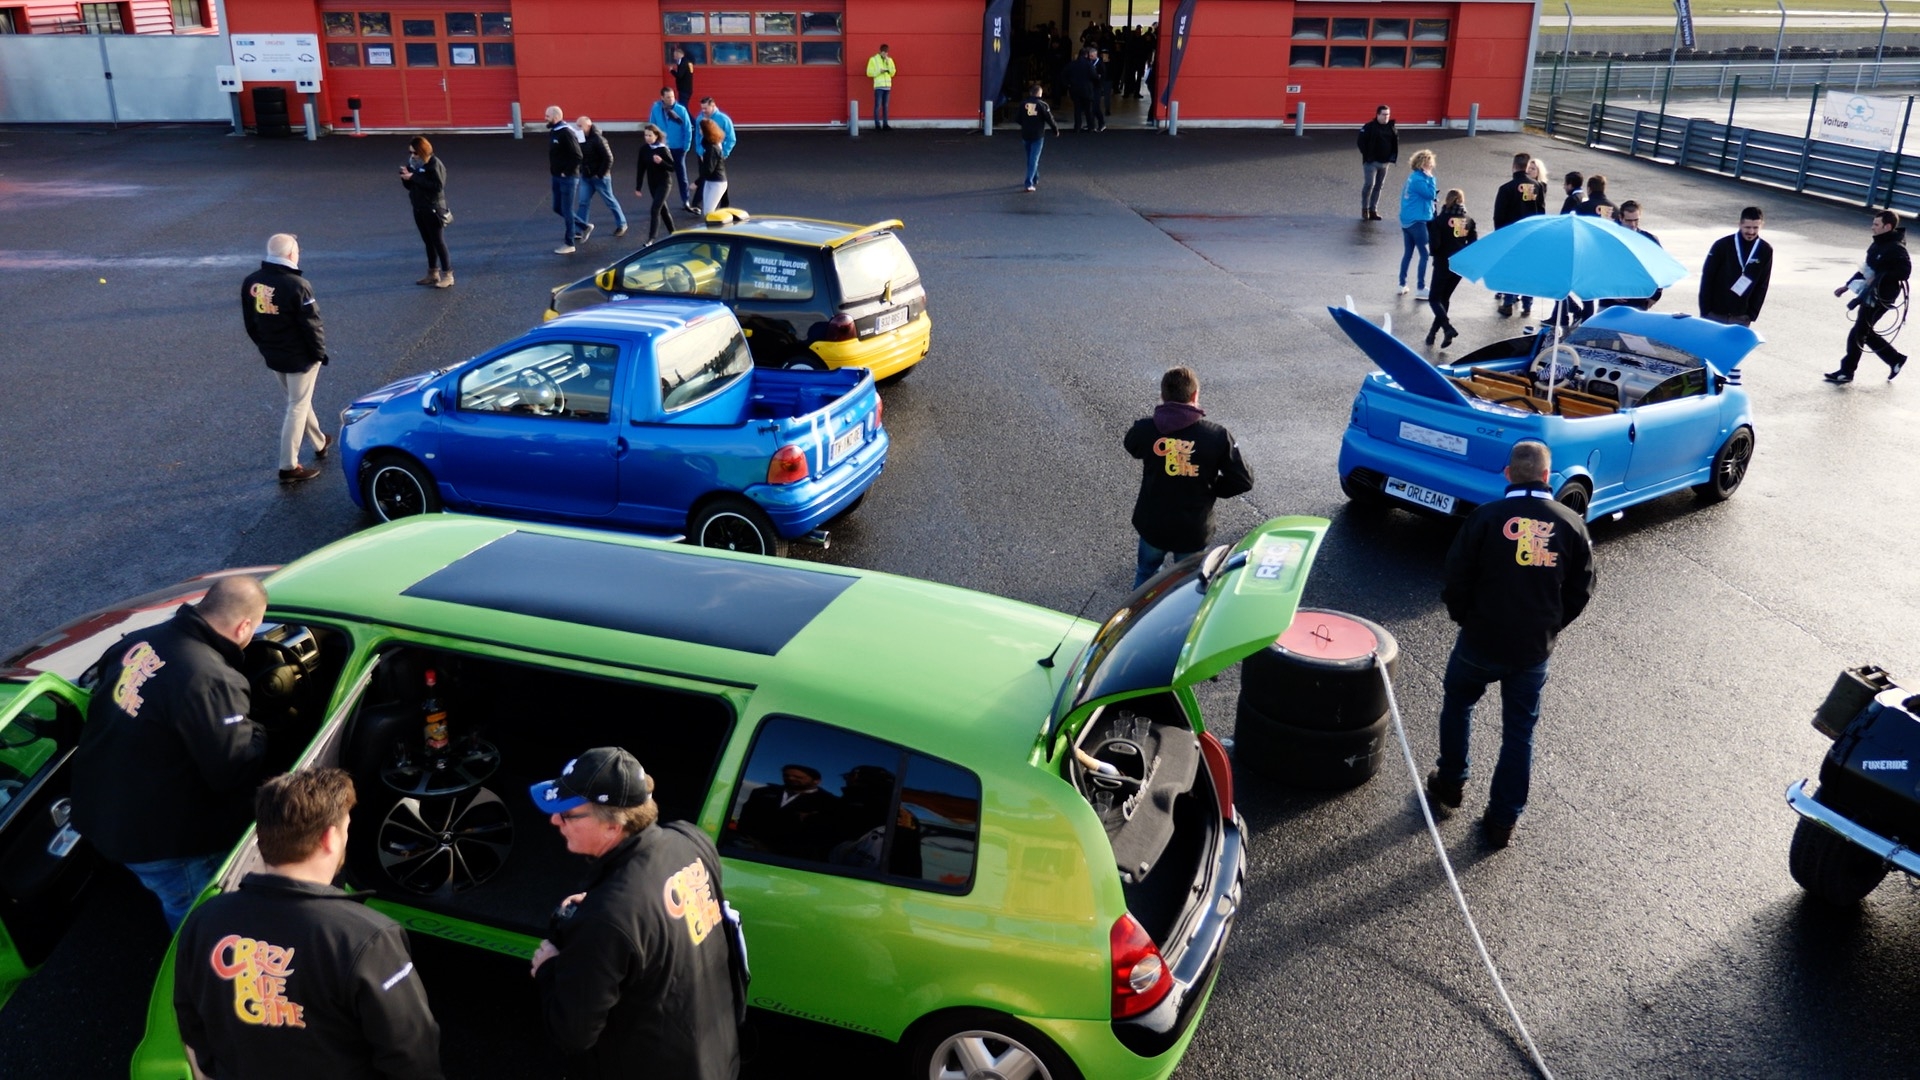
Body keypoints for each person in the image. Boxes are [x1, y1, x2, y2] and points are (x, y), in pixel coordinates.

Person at [173, 769, 443, 1080]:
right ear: (329, 838)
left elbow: (191, 1023)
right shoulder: (368, 938)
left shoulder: (204, 919)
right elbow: (411, 1054)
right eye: (345, 829)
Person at [71, 575, 272, 930]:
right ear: (244, 627)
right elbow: (234, 768)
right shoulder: (210, 679)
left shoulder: (140, 641)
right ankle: (191, 956)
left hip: (99, 809)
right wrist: (259, 731)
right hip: (160, 842)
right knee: (196, 909)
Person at [528, 748, 742, 1080]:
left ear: (613, 826)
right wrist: (605, 901)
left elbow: (573, 1035)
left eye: (567, 814)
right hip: (717, 1055)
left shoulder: (606, 920)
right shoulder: (690, 840)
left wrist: (549, 969)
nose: (554, 821)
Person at [1423, 441, 1595, 849]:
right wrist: (1551, 626)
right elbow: (1582, 588)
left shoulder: (1485, 517)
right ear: (1547, 476)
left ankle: (1451, 781)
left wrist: (1466, 619)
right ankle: (1503, 819)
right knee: (1519, 733)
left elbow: (1456, 578)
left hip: (1480, 640)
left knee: (1459, 704)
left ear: (1508, 474)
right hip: (1532, 649)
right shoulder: (1571, 523)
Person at [1123, 366, 1255, 589]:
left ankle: (1140, 609)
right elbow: (1243, 479)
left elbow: (1131, 446)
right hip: (1193, 528)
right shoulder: (1216, 436)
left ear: (1162, 395)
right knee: (1187, 584)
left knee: (1146, 573)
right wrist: (1213, 488)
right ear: (1194, 395)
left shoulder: (1145, 429)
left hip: (1153, 523)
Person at [240, 233, 330, 484]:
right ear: (291, 254)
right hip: (300, 357)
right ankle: (288, 466)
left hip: (273, 353)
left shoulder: (251, 282)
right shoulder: (297, 285)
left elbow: (250, 322)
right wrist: (319, 353)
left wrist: (264, 346)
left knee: (298, 400)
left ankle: (320, 441)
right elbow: (312, 325)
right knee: (297, 406)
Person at [1829, 208, 1912, 383]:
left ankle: (1847, 372)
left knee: (1858, 333)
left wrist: (1881, 276)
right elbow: (1866, 269)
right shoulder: (1876, 244)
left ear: (1887, 227)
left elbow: (1905, 272)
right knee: (1863, 332)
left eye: (1876, 224)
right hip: (1870, 294)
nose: (1872, 227)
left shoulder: (1896, 248)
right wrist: (1846, 286)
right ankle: (1895, 359)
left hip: (1883, 296)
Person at [734, 764, 836, 860]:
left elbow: (824, 833)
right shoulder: (762, 792)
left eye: (798, 777)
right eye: (786, 775)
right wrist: (749, 839)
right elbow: (745, 817)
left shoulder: (828, 802)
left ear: (816, 781)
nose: (790, 778)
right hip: (748, 848)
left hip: (792, 858)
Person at [1491, 151, 1545, 318]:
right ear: (1527, 167)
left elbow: (1499, 216)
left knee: (1511, 269)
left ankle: (1508, 303)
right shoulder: (1537, 186)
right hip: (1532, 234)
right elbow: (1541, 212)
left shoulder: (1506, 188)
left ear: (1514, 166)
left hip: (1512, 235)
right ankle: (1527, 305)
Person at [1698, 206, 1773, 326]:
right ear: (1739, 224)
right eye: (1747, 227)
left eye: (1755, 228)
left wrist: (1752, 314)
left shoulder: (1765, 250)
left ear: (1762, 226)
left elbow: (1762, 284)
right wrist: (1705, 311)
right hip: (1715, 314)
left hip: (1742, 316)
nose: (1751, 232)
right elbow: (1707, 278)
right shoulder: (1722, 245)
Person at [1425, 188, 1478, 349]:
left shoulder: (1440, 220)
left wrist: (1431, 228)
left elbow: (1435, 246)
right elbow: (1474, 245)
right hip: (1460, 265)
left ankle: (1447, 328)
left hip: (1443, 263)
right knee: (1445, 299)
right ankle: (1432, 334)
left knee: (1434, 299)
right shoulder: (1469, 220)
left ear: (1447, 200)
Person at [399, 136, 452, 289]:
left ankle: (448, 275)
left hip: (433, 208)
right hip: (419, 207)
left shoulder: (434, 164)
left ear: (423, 151)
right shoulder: (415, 164)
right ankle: (433, 273)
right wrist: (406, 177)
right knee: (428, 242)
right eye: (410, 152)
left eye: (415, 153)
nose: (412, 156)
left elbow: (437, 186)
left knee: (438, 241)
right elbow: (411, 187)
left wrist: (414, 177)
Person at [1597, 200, 1662, 311]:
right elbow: (1597, 267)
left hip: (1638, 303)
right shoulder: (1608, 239)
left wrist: (1656, 295)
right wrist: (1609, 290)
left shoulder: (1649, 240)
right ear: (1621, 218)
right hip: (1608, 304)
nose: (1633, 224)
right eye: (1629, 220)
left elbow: (1661, 268)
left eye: (1636, 220)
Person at [576, 117, 629, 239]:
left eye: (580, 126)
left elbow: (609, 158)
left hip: (600, 178)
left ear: (588, 126)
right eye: (577, 126)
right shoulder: (580, 139)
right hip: (586, 176)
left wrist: (600, 174)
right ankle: (580, 229)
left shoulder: (599, 140)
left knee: (609, 201)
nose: (577, 128)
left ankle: (622, 224)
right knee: (583, 202)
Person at [647, 88, 697, 214]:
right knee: (659, 175)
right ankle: (659, 202)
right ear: (662, 98)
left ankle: (685, 200)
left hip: (678, 147)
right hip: (662, 148)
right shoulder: (656, 109)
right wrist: (654, 145)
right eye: (668, 97)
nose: (671, 99)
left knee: (681, 175)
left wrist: (686, 146)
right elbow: (652, 127)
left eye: (672, 97)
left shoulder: (681, 110)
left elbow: (688, 129)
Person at [545, 106, 586, 254]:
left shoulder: (566, 132)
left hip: (568, 178)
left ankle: (569, 243)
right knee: (557, 207)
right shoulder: (554, 131)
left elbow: (578, 156)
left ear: (556, 117)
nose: (545, 118)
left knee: (567, 210)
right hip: (556, 176)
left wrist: (566, 172)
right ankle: (584, 226)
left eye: (547, 116)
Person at [1397, 149, 1437, 299]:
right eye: (1429, 164)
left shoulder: (1412, 177)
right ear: (1423, 164)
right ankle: (1420, 287)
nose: (1431, 166)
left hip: (1407, 221)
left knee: (1408, 253)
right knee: (1424, 255)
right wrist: (1431, 179)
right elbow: (1430, 195)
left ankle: (1402, 283)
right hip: (1418, 222)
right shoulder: (1420, 180)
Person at [635, 123, 677, 243]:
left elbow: (673, 168)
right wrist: (638, 187)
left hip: (664, 183)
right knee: (663, 210)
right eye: (645, 135)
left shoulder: (663, 149)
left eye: (650, 135)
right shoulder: (644, 149)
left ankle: (651, 238)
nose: (647, 138)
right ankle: (674, 233)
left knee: (655, 209)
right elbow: (641, 168)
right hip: (652, 183)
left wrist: (661, 162)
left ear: (656, 136)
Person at [1357, 104, 1398, 221]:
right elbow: (1360, 142)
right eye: (1384, 114)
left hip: (1385, 163)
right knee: (1369, 184)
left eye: (1388, 114)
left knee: (1379, 186)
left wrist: (1391, 157)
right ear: (1378, 115)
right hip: (1371, 163)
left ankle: (1373, 210)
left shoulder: (1391, 128)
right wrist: (1367, 156)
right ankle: (1364, 209)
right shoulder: (1369, 127)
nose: (1386, 117)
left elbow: (1394, 143)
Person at [1016, 82, 1059, 192]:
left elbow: (1017, 119)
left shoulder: (1023, 104)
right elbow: (1050, 119)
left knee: (1030, 158)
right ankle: (1028, 183)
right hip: (1038, 135)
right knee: (1034, 159)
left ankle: (1035, 177)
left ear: (1030, 93)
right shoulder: (1043, 105)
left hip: (1025, 134)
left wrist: (1026, 124)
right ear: (1040, 93)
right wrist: (1055, 130)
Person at [698, 97, 738, 208]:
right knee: (710, 177)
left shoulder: (724, 119)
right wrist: (700, 151)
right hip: (705, 154)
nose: (703, 111)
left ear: (713, 105)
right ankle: (698, 203)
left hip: (715, 154)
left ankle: (724, 206)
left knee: (716, 177)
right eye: (702, 108)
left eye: (705, 108)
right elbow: (698, 137)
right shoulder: (700, 118)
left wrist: (723, 153)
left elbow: (731, 139)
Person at [696, 117, 728, 216]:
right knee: (708, 211)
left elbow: (708, 169)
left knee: (708, 211)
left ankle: (717, 225)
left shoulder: (712, 148)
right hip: (710, 181)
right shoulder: (709, 145)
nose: (699, 130)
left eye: (700, 129)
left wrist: (697, 182)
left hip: (717, 182)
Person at [865, 43, 896, 131]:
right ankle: (877, 125)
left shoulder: (889, 60)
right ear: (880, 51)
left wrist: (888, 64)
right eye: (884, 52)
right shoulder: (873, 59)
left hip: (887, 86)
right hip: (879, 86)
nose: (885, 54)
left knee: (885, 106)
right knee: (878, 106)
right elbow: (869, 73)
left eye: (886, 53)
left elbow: (893, 72)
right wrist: (879, 71)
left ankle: (885, 124)